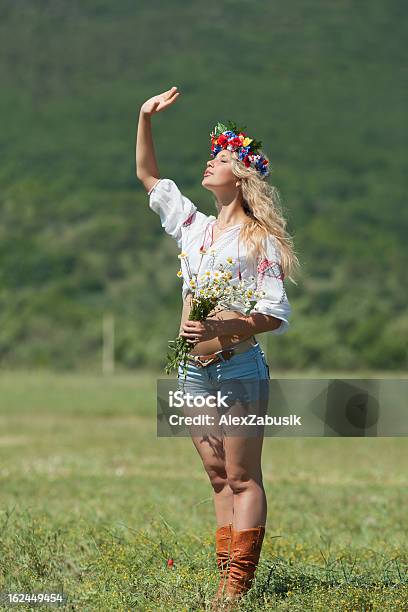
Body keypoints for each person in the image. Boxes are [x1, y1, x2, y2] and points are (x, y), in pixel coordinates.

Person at [136, 86, 300, 605]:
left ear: (242, 175)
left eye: (222, 158)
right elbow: (149, 177)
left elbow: (273, 315)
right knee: (215, 477)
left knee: (242, 475)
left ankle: (234, 589)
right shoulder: (195, 228)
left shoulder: (259, 239)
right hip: (191, 371)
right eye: (212, 157)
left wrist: (222, 328)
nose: (211, 163)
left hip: (237, 368)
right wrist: (145, 118)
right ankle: (225, 575)